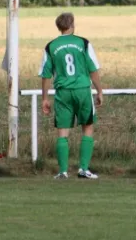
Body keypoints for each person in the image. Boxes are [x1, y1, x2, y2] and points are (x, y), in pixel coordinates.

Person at [39, 12, 103, 179]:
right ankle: (83, 169)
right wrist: (99, 91)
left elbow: (45, 74)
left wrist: (44, 98)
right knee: (87, 127)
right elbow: (93, 69)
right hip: (82, 90)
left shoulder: (51, 46)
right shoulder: (83, 43)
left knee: (62, 132)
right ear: (72, 24)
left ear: (59, 27)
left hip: (63, 92)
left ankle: (63, 172)